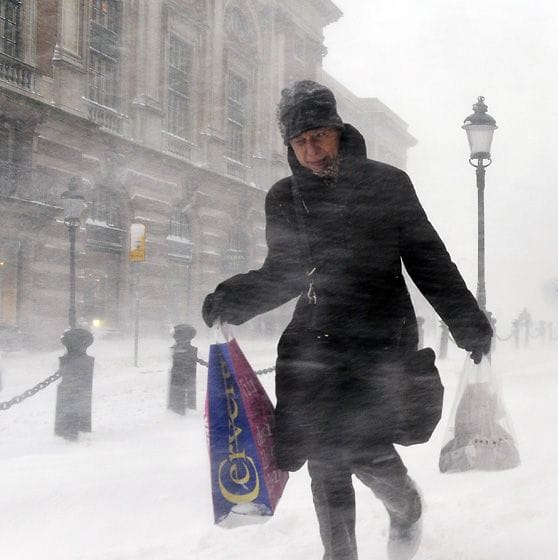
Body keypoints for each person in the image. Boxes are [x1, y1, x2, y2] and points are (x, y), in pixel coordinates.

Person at [201, 80, 493, 560]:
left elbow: (427, 259)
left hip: (379, 344)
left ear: (337, 130)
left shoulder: (387, 184)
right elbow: (284, 271)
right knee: (325, 463)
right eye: (299, 142)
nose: (311, 152)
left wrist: (467, 323)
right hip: (315, 348)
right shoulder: (285, 197)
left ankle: (406, 507)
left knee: (366, 450)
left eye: (318, 137)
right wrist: (233, 298)